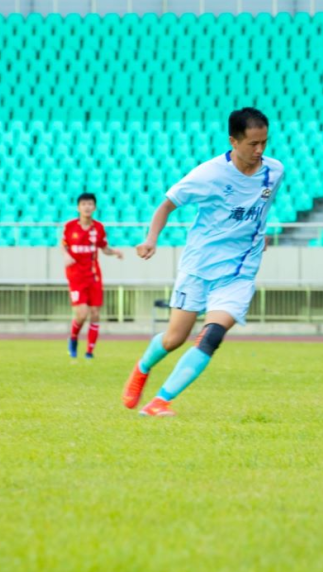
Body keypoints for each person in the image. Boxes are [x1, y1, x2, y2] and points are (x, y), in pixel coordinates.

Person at [121, 108, 283, 417]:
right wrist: (151, 239)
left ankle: (160, 402)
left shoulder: (274, 172)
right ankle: (142, 368)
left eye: (264, 142)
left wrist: (258, 234)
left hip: (238, 273)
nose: (260, 150)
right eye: (253, 143)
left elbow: (260, 209)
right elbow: (166, 206)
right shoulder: (209, 174)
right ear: (233, 141)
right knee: (174, 338)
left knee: (212, 335)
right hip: (199, 267)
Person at [62, 192, 123, 359]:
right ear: (78, 207)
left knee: (95, 313)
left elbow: (104, 248)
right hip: (76, 276)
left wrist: (114, 252)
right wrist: (65, 255)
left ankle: (89, 352)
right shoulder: (70, 227)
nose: (87, 207)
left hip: (94, 276)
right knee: (82, 314)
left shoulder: (99, 228)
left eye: (90, 204)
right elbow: (63, 244)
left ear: (94, 207)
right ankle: (73, 338)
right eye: (84, 204)